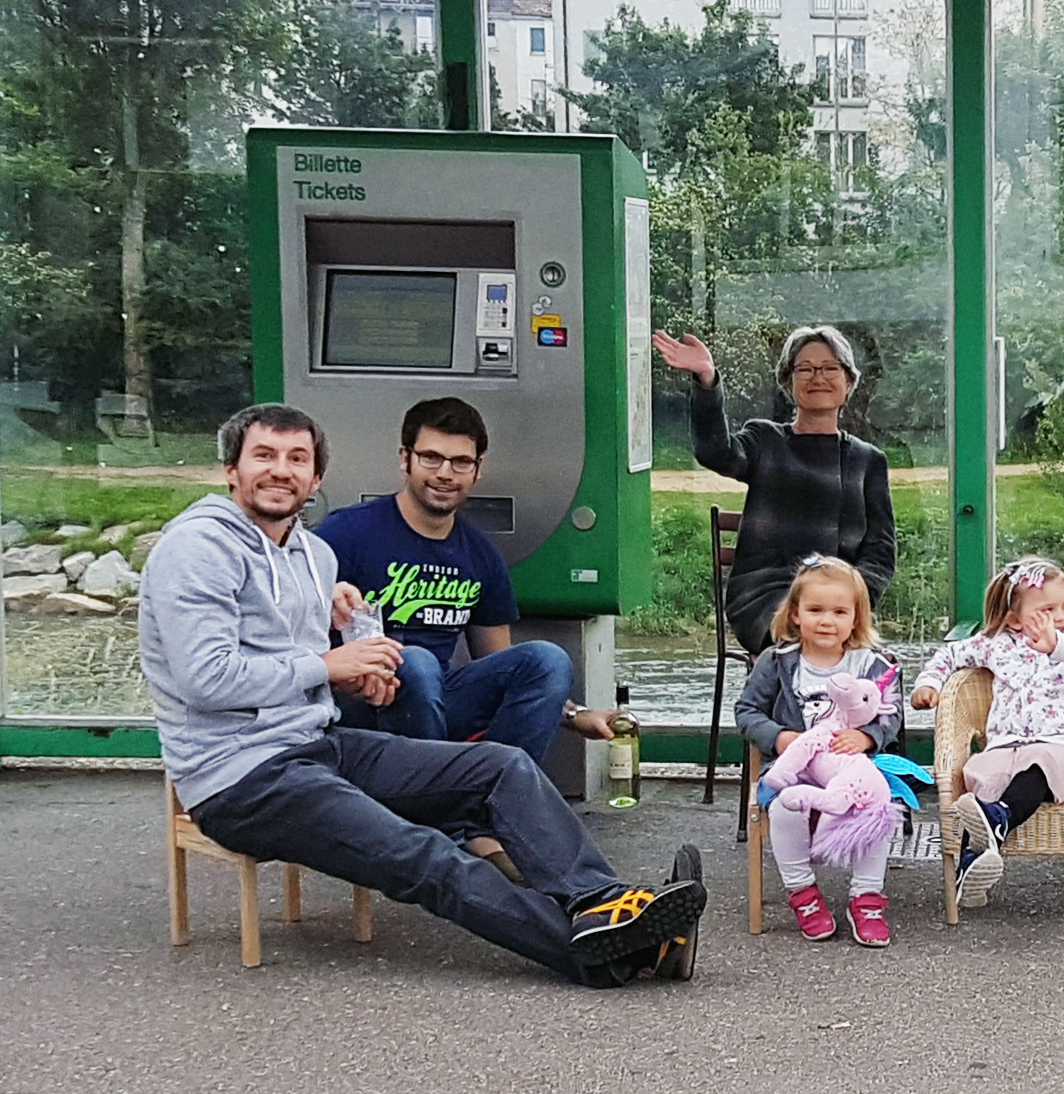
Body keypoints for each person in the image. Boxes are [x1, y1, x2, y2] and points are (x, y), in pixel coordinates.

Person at [142, 403, 706, 986]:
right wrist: (327, 665)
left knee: (503, 767)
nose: (280, 470)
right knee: (425, 855)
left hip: (318, 743)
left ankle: (607, 904)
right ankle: (616, 954)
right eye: (264, 456)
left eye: (297, 459)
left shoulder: (311, 555)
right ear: (231, 469)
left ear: (316, 478)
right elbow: (205, 680)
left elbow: (313, 667)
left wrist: (358, 674)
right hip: (242, 779)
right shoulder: (197, 550)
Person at [319, 399, 618, 878]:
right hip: (357, 709)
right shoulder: (345, 535)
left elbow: (500, 667)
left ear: (477, 471)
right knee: (413, 661)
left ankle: (482, 819)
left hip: (432, 705)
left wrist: (576, 714)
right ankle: (455, 827)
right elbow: (288, 631)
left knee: (546, 659)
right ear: (405, 459)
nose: (445, 473)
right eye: (431, 458)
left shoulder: (478, 554)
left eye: (460, 462)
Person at [653, 324, 896, 656]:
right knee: (811, 639)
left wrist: (853, 599)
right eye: (805, 369)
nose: (818, 378)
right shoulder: (765, 439)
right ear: (788, 381)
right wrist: (707, 380)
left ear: (849, 381)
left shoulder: (868, 461)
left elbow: (880, 551)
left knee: (852, 651)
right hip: (764, 596)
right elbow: (715, 452)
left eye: (829, 368)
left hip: (838, 601)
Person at [911, 557, 1064, 909]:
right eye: (1047, 610)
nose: (1061, 616)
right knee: (980, 777)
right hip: (1007, 746)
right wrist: (929, 682)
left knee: (1038, 765)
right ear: (1013, 619)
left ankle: (999, 819)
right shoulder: (998, 643)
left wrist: (1058, 646)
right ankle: (974, 861)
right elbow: (950, 655)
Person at [736, 556, 902, 947]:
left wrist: (867, 737)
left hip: (852, 768)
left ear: (856, 618)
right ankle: (802, 892)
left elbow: (891, 716)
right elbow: (746, 711)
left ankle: (866, 896)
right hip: (796, 767)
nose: (827, 621)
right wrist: (778, 737)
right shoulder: (778, 662)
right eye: (815, 610)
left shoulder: (873, 665)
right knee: (784, 808)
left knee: (877, 808)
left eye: (839, 612)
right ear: (795, 614)